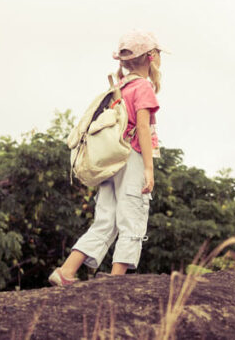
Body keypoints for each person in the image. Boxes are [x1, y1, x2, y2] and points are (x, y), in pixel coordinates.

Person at [49, 31, 163, 286]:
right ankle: (115, 281)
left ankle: (66, 272)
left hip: (110, 161)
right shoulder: (143, 87)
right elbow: (142, 128)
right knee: (132, 215)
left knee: (106, 219)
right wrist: (149, 169)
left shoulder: (119, 88)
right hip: (131, 156)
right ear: (151, 56)